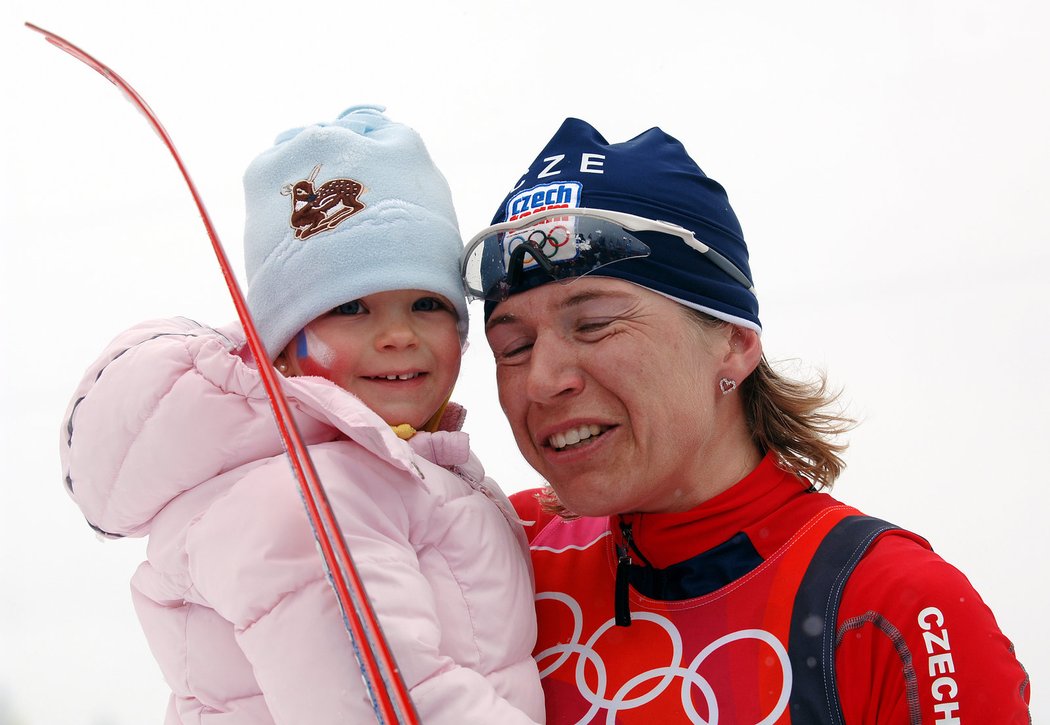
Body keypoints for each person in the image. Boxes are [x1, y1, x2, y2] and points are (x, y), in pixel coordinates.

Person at [461, 118, 1031, 723]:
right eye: (513, 346)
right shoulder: (492, 549)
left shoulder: (891, 607)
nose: (545, 380)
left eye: (595, 323)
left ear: (732, 342)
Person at [59, 105, 544, 724]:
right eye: (351, 308)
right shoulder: (307, 498)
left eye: (426, 303)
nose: (398, 335)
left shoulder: (393, 469)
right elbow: (385, 699)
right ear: (282, 346)